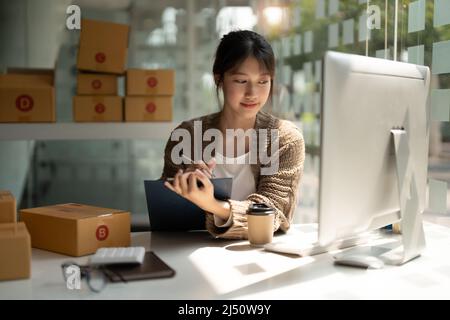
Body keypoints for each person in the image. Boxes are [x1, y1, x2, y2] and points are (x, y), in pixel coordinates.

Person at [161, 30, 305, 239]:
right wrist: (185, 184)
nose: (252, 93)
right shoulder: (188, 135)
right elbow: (167, 213)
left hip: (261, 256)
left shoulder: (284, 138)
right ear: (219, 78)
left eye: (263, 82)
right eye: (240, 81)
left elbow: (272, 211)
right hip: (190, 253)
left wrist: (213, 205)